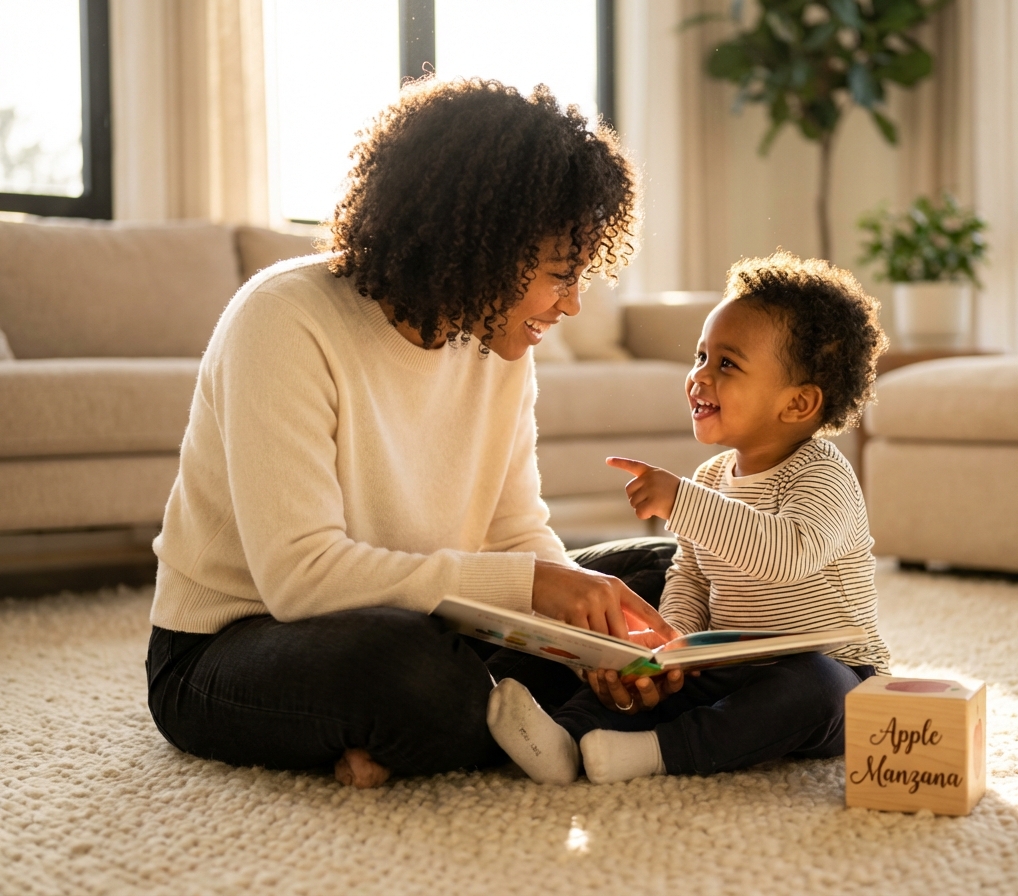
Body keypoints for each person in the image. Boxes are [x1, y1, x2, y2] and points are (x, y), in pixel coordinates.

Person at [144, 78, 679, 789]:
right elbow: (300, 580)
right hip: (234, 644)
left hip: (434, 620)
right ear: (481, 244)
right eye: (559, 276)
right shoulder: (282, 319)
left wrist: (585, 630)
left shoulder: (498, 347)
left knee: (663, 575)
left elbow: (517, 534)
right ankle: (516, 723)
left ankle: (456, 733)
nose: (574, 305)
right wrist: (535, 590)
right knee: (406, 671)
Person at [486, 252, 893, 784]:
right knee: (646, 673)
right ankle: (563, 737)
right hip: (729, 664)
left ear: (798, 404)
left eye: (727, 364)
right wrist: (672, 641)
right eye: (701, 356)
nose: (699, 376)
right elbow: (691, 577)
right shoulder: (710, 476)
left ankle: (659, 753)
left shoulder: (823, 476)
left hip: (835, 670)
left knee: (815, 689)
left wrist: (681, 501)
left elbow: (784, 555)